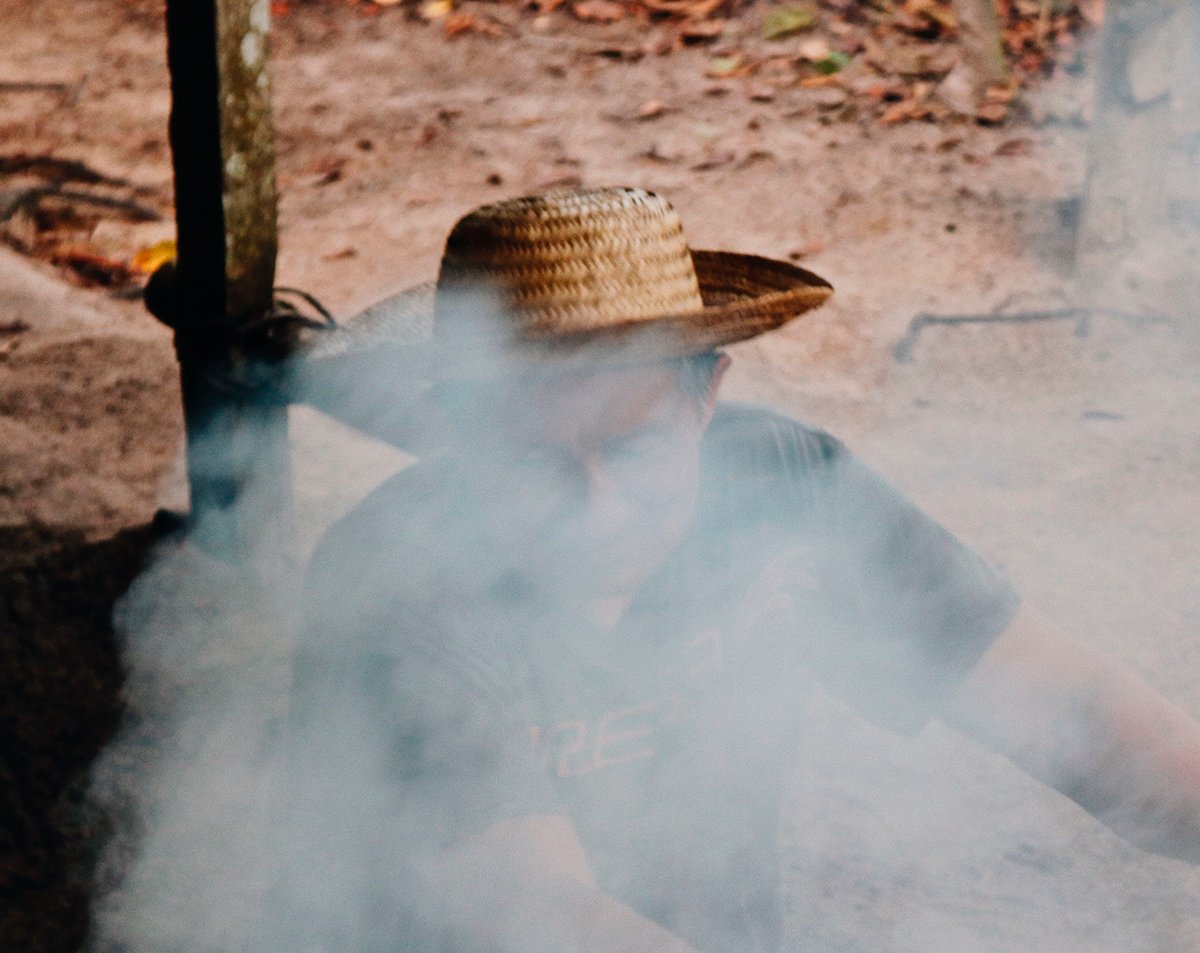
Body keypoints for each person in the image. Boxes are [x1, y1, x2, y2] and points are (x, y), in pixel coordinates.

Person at [287, 186, 1200, 953]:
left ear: (707, 396)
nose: (596, 510)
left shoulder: (791, 487)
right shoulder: (390, 582)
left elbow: (1079, 713)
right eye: (531, 462)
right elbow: (538, 914)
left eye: (631, 449)